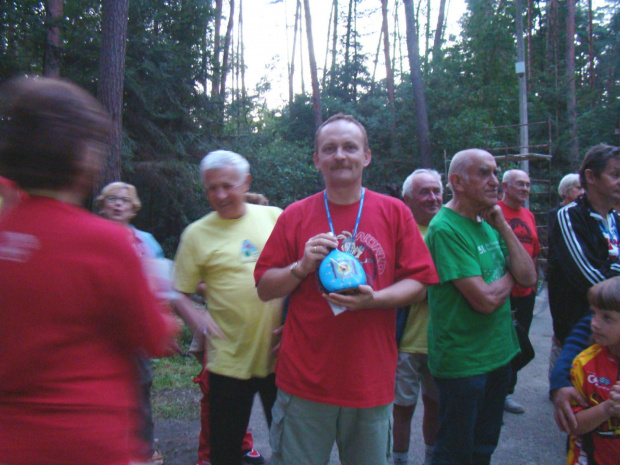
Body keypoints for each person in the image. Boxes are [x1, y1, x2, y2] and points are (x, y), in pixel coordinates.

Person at [0, 76, 179, 465]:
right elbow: (155, 337)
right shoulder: (107, 242)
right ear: (81, 156)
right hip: (89, 443)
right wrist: (162, 297)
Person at [254, 113, 438, 465]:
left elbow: (420, 284)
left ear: (366, 156)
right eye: (330, 148)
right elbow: (264, 288)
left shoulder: (394, 212)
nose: (340, 155)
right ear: (317, 160)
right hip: (304, 382)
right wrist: (301, 267)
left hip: (369, 381)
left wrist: (375, 301)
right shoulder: (295, 215)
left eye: (350, 147)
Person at [425, 149, 537, 465]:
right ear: (457, 182)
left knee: (484, 447)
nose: (495, 181)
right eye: (484, 173)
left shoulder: (488, 221)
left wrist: (502, 225)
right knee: (454, 452)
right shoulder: (445, 228)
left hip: (499, 355)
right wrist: (510, 275)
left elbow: (528, 276)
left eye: (496, 172)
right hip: (464, 362)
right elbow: (485, 300)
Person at [173, 150, 283, 465]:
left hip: (279, 355)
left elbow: (300, 271)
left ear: (246, 182)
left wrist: (294, 322)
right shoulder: (195, 235)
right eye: (211, 188)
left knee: (293, 448)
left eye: (227, 186)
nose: (220, 195)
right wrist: (195, 315)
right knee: (224, 452)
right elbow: (178, 291)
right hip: (228, 361)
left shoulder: (275, 217)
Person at [189, 190, 273, 465]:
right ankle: (208, 455)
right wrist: (221, 287)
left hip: (263, 336)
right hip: (222, 334)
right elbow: (196, 282)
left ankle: (244, 445)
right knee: (215, 398)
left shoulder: (268, 235)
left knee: (250, 396)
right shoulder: (211, 236)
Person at [96, 181, 165, 465]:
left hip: (135, 331)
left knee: (139, 390)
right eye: (112, 199)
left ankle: (144, 450)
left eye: (124, 200)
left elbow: (160, 285)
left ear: (134, 206)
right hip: (99, 332)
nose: (117, 204)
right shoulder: (91, 235)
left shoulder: (146, 242)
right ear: (103, 204)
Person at [548, 144, 620, 362]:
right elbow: (591, 278)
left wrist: (611, 267)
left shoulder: (615, 219)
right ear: (591, 177)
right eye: (615, 174)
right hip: (581, 336)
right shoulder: (569, 217)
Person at [393, 169, 443, 465]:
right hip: (406, 341)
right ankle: (399, 459)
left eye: (436, 191)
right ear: (407, 198)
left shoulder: (449, 228)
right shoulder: (399, 231)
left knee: (436, 406)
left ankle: (431, 459)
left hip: (441, 341)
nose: (433, 197)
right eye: (424, 192)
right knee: (402, 408)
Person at [498, 169, 541, 414]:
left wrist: (533, 285)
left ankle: (507, 392)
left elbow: (534, 252)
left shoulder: (529, 215)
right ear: (505, 186)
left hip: (526, 294)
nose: (525, 189)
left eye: (528, 184)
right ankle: (496, 393)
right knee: (502, 344)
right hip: (503, 292)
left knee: (520, 344)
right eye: (520, 184)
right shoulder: (494, 213)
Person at [565, 277, 620, 465]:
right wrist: (607, 408)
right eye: (594, 313)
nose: (595, 323)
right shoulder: (585, 364)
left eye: (607, 318)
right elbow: (574, 424)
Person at [547, 173, 584, 238]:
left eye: (584, 189)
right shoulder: (555, 214)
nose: (583, 192)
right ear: (566, 190)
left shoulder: (586, 212)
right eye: (579, 188)